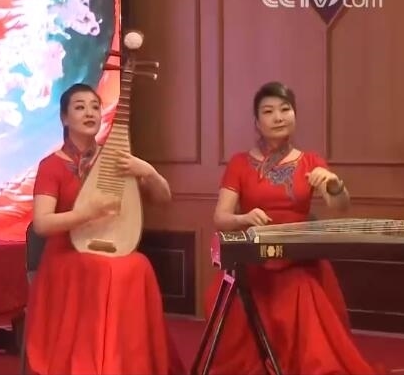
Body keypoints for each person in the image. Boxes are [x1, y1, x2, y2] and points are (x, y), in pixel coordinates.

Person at [205, 81, 383, 374]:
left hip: (298, 260)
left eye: (285, 109)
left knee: (302, 289)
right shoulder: (239, 163)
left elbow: (340, 205)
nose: (278, 117)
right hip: (255, 259)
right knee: (238, 298)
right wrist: (245, 218)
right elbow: (221, 218)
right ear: (257, 122)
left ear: (295, 115)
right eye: (268, 111)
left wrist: (334, 184)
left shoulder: (311, 162)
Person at [25, 83, 184, 375]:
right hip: (66, 257)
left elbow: (164, 198)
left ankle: (131, 363)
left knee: (139, 265)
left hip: (110, 248)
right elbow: (42, 224)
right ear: (64, 118)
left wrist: (148, 171)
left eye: (95, 107)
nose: (90, 113)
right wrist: (84, 214)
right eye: (80, 107)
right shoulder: (51, 166)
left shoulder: (115, 161)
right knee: (104, 268)